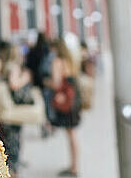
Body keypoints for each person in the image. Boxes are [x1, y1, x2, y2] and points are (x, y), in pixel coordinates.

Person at [0, 42, 32, 178]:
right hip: (13, 112)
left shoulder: (4, 66)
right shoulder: (14, 67)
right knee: (13, 144)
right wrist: (25, 78)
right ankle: (13, 173)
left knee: (6, 144)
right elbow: (14, 84)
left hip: (4, 111)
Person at [45, 39, 81, 177]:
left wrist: (46, 82)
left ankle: (74, 168)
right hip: (73, 99)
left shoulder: (57, 61)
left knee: (71, 134)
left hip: (65, 100)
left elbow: (56, 83)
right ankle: (74, 165)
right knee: (73, 134)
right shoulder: (71, 60)